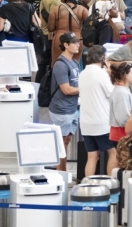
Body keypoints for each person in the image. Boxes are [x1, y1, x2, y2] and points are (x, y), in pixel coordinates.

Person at [78, 45, 117, 176]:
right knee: (113, 153)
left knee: (92, 156)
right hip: (101, 122)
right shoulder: (101, 74)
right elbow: (112, 94)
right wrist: (110, 74)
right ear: (102, 58)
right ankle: (111, 183)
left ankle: (88, 184)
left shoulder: (82, 73)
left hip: (86, 122)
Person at [49, 31, 81, 171]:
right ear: (66, 45)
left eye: (77, 41)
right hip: (61, 109)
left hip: (72, 108)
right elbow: (66, 89)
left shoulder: (74, 62)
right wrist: (85, 88)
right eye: (74, 42)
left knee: (66, 141)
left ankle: (63, 173)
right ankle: (61, 174)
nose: (78, 44)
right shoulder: (61, 64)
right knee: (61, 143)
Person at [47, 0, 89, 66]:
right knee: (74, 65)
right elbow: (89, 27)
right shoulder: (82, 10)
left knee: (57, 64)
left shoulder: (56, 9)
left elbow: (50, 28)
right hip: (77, 39)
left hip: (60, 39)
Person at [109, 62, 132, 143]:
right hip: (121, 134)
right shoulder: (121, 92)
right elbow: (123, 118)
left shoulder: (123, 90)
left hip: (122, 132)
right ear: (125, 75)